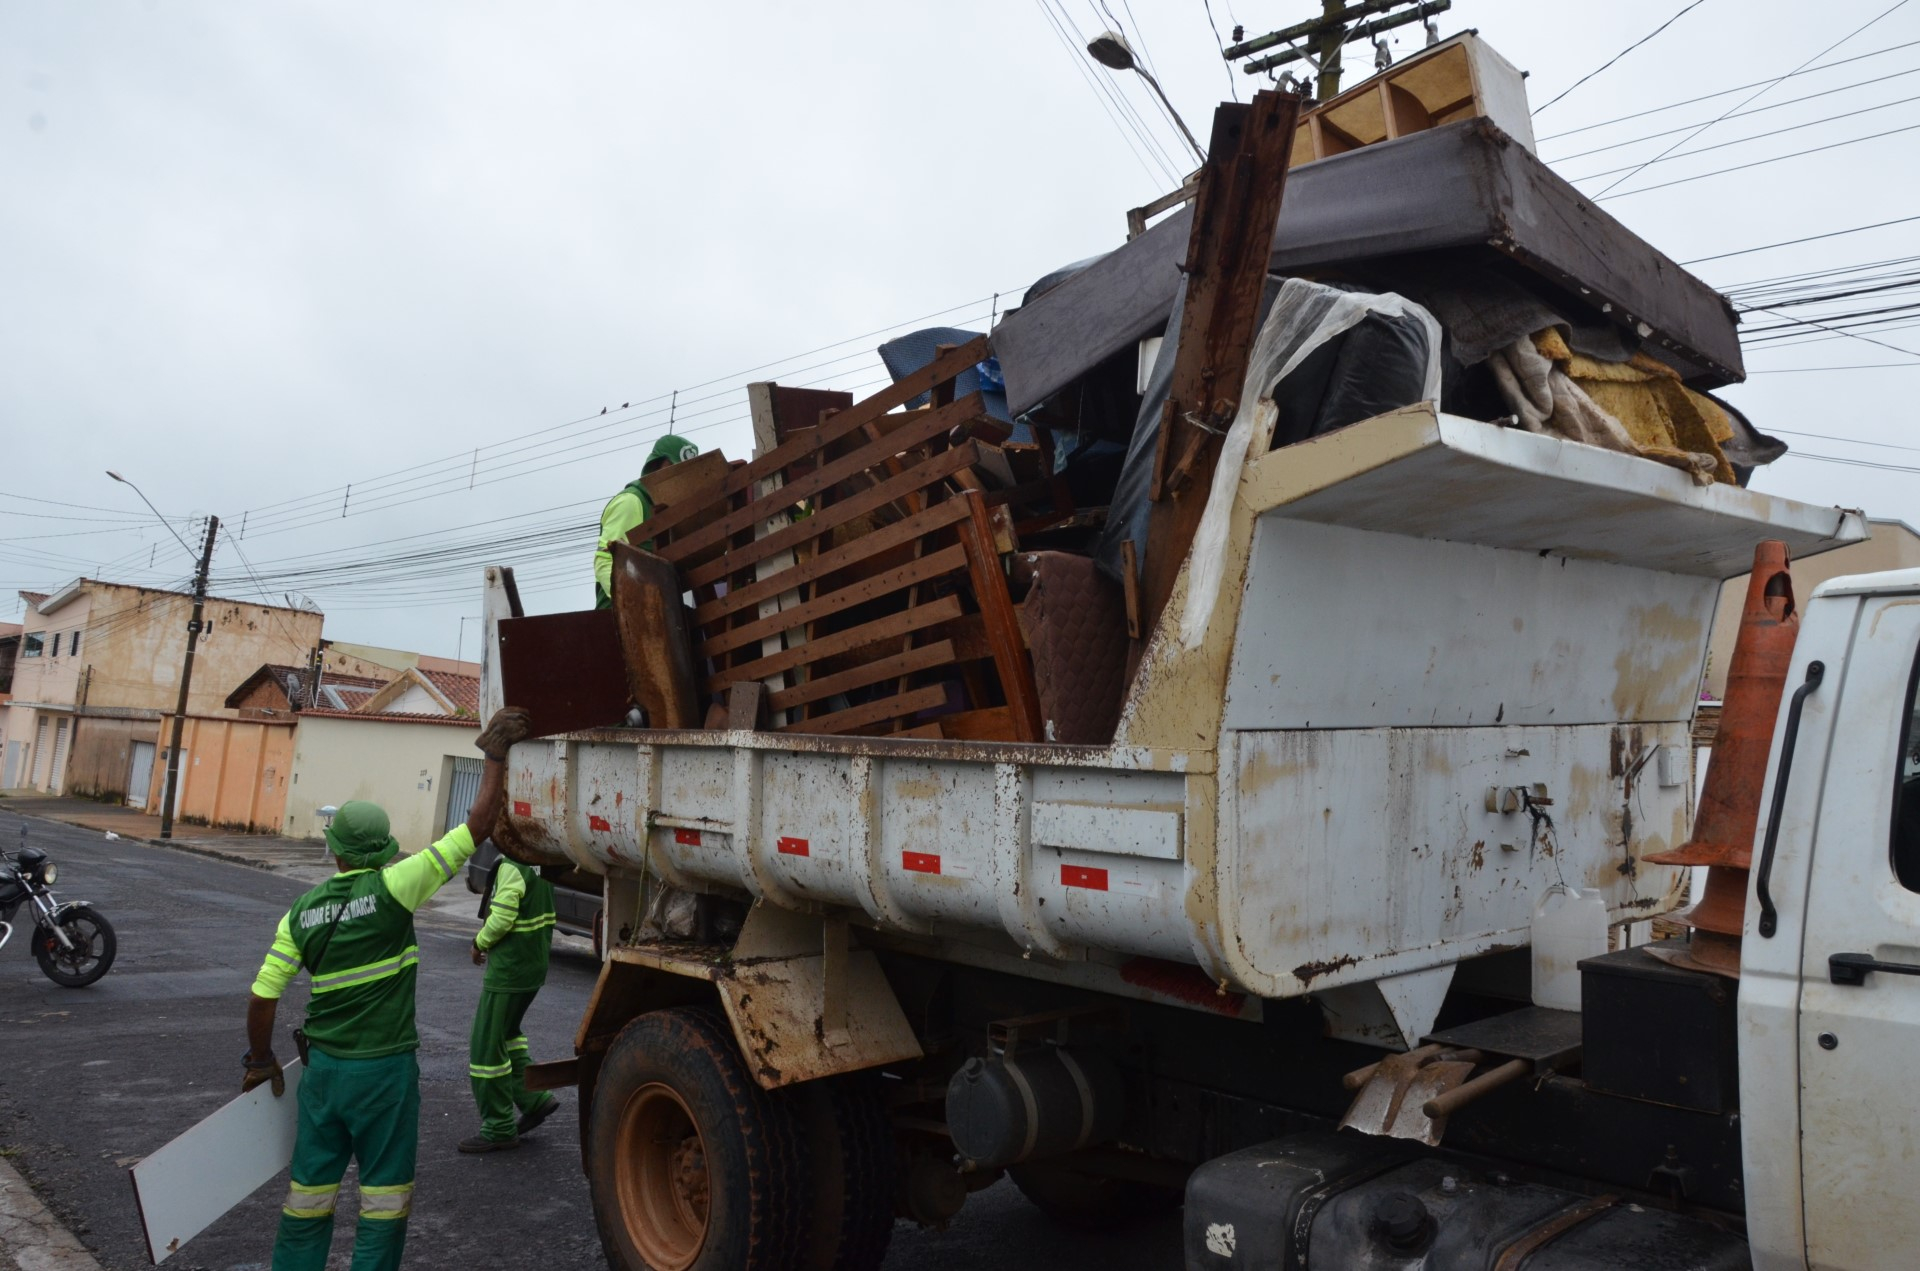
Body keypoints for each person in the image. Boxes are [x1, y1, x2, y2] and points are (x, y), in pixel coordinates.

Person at [241, 706, 531, 1271]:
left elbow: (263, 995)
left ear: (339, 851)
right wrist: (494, 757)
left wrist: (259, 1059)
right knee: (383, 1201)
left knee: (308, 1198)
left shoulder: (298, 913)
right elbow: (474, 828)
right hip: (385, 1075)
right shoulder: (397, 886)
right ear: (380, 849)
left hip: (324, 1075)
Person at [460, 851, 560, 1152]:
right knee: (508, 1034)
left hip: (510, 970)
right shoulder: (544, 863)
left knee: (487, 1046)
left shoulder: (513, 867)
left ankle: (499, 1126)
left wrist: (479, 943)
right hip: (532, 967)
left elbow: (502, 916)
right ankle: (535, 1099)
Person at [593, 433, 700, 608]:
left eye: (685, 474)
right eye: (674, 469)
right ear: (656, 466)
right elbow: (605, 562)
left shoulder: (671, 513)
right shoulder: (631, 502)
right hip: (616, 621)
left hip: (656, 619)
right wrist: (637, 604)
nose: (679, 479)